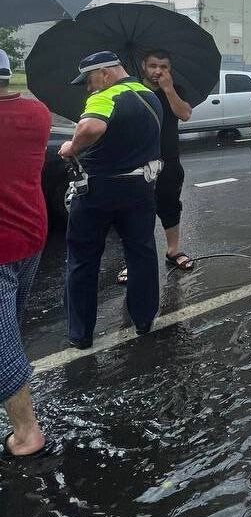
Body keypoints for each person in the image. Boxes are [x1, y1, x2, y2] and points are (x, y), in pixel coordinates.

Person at [59, 51, 163, 348]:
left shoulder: (106, 95)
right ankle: (143, 320)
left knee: (83, 259)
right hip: (141, 188)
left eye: (89, 80)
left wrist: (70, 147)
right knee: (141, 253)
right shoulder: (149, 95)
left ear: (105, 73)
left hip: (98, 191)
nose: (88, 87)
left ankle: (80, 334)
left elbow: (91, 127)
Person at [0, 49, 54, 458]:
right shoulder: (38, 114)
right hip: (31, 231)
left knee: (2, 340)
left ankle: (27, 433)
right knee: (10, 324)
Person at [116, 50, 194, 283]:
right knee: (136, 212)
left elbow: (185, 114)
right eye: (153, 66)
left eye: (164, 67)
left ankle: (173, 251)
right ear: (143, 66)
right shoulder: (129, 90)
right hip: (137, 164)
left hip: (168, 161)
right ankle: (133, 260)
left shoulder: (175, 90)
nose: (158, 71)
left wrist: (169, 90)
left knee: (170, 206)